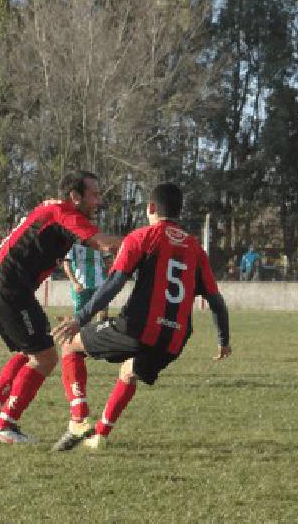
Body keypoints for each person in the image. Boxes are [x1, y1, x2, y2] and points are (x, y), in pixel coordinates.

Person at [50, 182, 231, 451]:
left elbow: (113, 284)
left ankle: (78, 417)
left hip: (137, 328)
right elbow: (216, 301)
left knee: (69, 344)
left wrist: (80, 318)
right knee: (128, 372)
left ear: (151, 208)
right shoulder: (195, 248)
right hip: (174, 340)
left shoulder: (142, 237)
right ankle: (99, 436)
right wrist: (223, 340)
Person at [0, 172, 123, 443]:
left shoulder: (52, 208)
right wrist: (143, 243)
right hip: (9, 288)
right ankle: (5, 424)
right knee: (45, 357)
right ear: (75, 196)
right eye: (94, 195)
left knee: (31, 348)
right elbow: (103, 244)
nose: (98, 201)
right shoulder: (64, 212)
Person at [62, 230, 110, 322]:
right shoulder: (73, 246)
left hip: (99, 285)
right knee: (81, 318)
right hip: (81, 286)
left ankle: (98, 334)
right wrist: (74, 282)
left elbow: (107, 263)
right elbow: (66, 264)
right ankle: (76, 333)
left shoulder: (100, 246)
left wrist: (107, 280)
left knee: (103, 314)